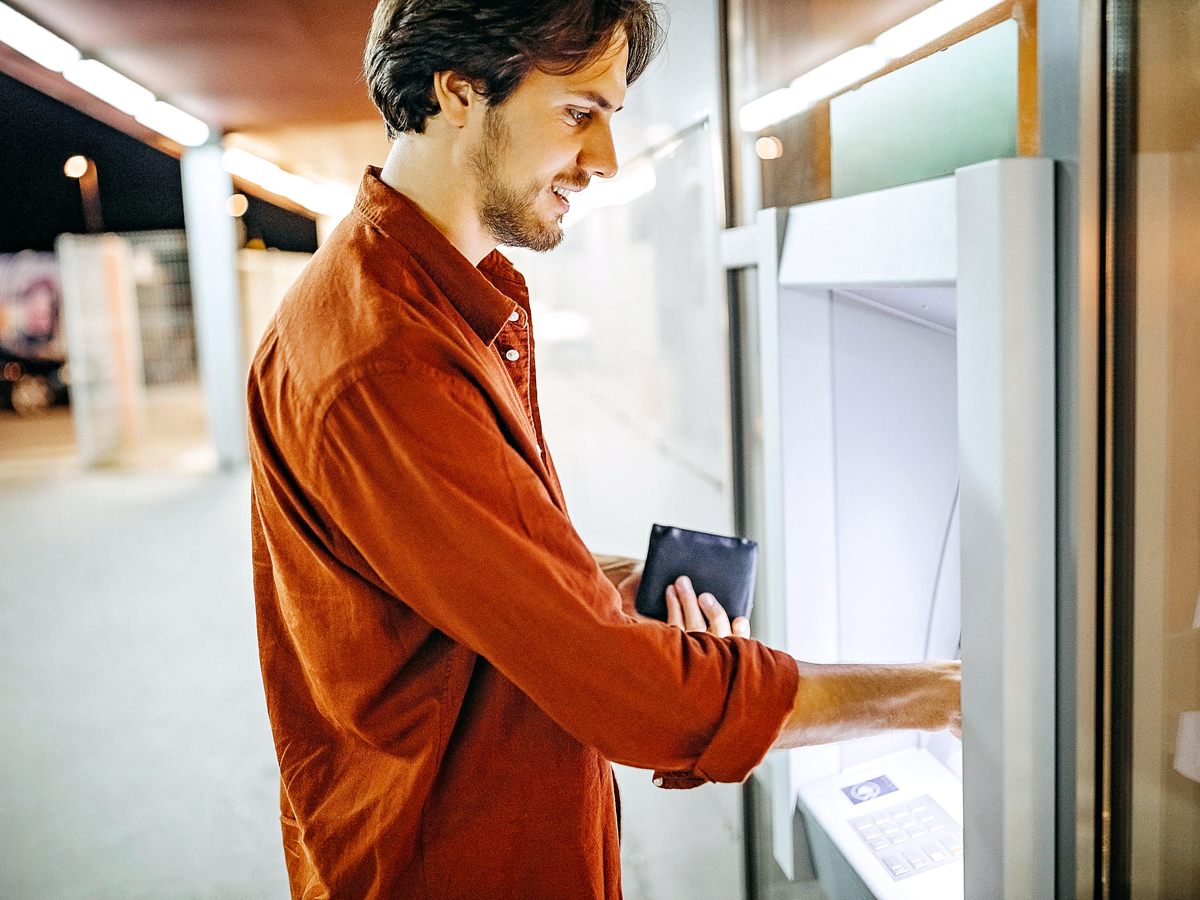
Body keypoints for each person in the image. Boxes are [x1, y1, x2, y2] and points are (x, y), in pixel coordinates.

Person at [246, 1, 962, 897]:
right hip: (452, 860)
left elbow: (451, 564)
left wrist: (608, 589)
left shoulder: (416, 302)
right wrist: (944, 693)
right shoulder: (388, 358)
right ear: (460, 92)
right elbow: (638, 702)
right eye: (579, 113)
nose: (605, 162)